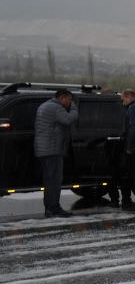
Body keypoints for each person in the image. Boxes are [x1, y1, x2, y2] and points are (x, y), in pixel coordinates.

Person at [33, 89, 78, 218]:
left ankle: (49, 208)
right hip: (52, 149)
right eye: (69, 100)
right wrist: (74, 108)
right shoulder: (56, 108)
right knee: (54, 180)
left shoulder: (44, 105)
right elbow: (68, 119)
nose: (70, 103)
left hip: (43, 149)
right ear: (62, 98)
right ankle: (54, 208)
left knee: (48, 180)